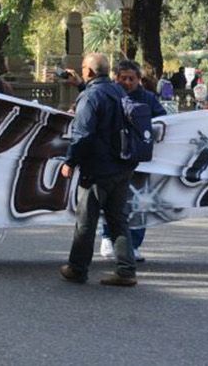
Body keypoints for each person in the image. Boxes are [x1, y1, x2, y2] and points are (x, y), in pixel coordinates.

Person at [59, 53, 138, 287]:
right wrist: (81, 87)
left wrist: (70, 162)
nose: (81, 70)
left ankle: (77, 268)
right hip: (121, 166)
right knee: (117, 220)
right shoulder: (118, 91)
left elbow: (83, 134)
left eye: (83, 67)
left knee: (86, 221)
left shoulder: (91, 96)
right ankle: (126, 270)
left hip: (97, 169)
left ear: (90, 72)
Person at [97, 60, 165, 263]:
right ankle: (108, 237)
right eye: (123, 78)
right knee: (111, 203)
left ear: (139, 80)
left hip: (140, 161)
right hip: (113, 159)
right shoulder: (106, 95)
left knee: (138, 203)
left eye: (131, 79)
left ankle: (133, 245)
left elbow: (164, 120)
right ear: (115, 78)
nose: (127, 82)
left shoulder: (149, 99)